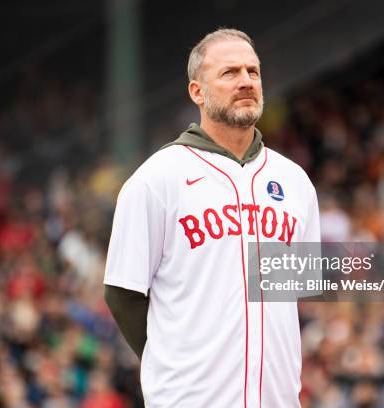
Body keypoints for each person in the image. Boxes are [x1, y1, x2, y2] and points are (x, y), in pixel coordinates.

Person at [104, 28, 320, 407]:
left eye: (253, 72)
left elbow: (292, 295)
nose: (246, 82)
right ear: (197, 92)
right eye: (230, 73)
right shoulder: (158, 178)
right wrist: (171, 364)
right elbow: (122, 293)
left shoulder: (294, 181)